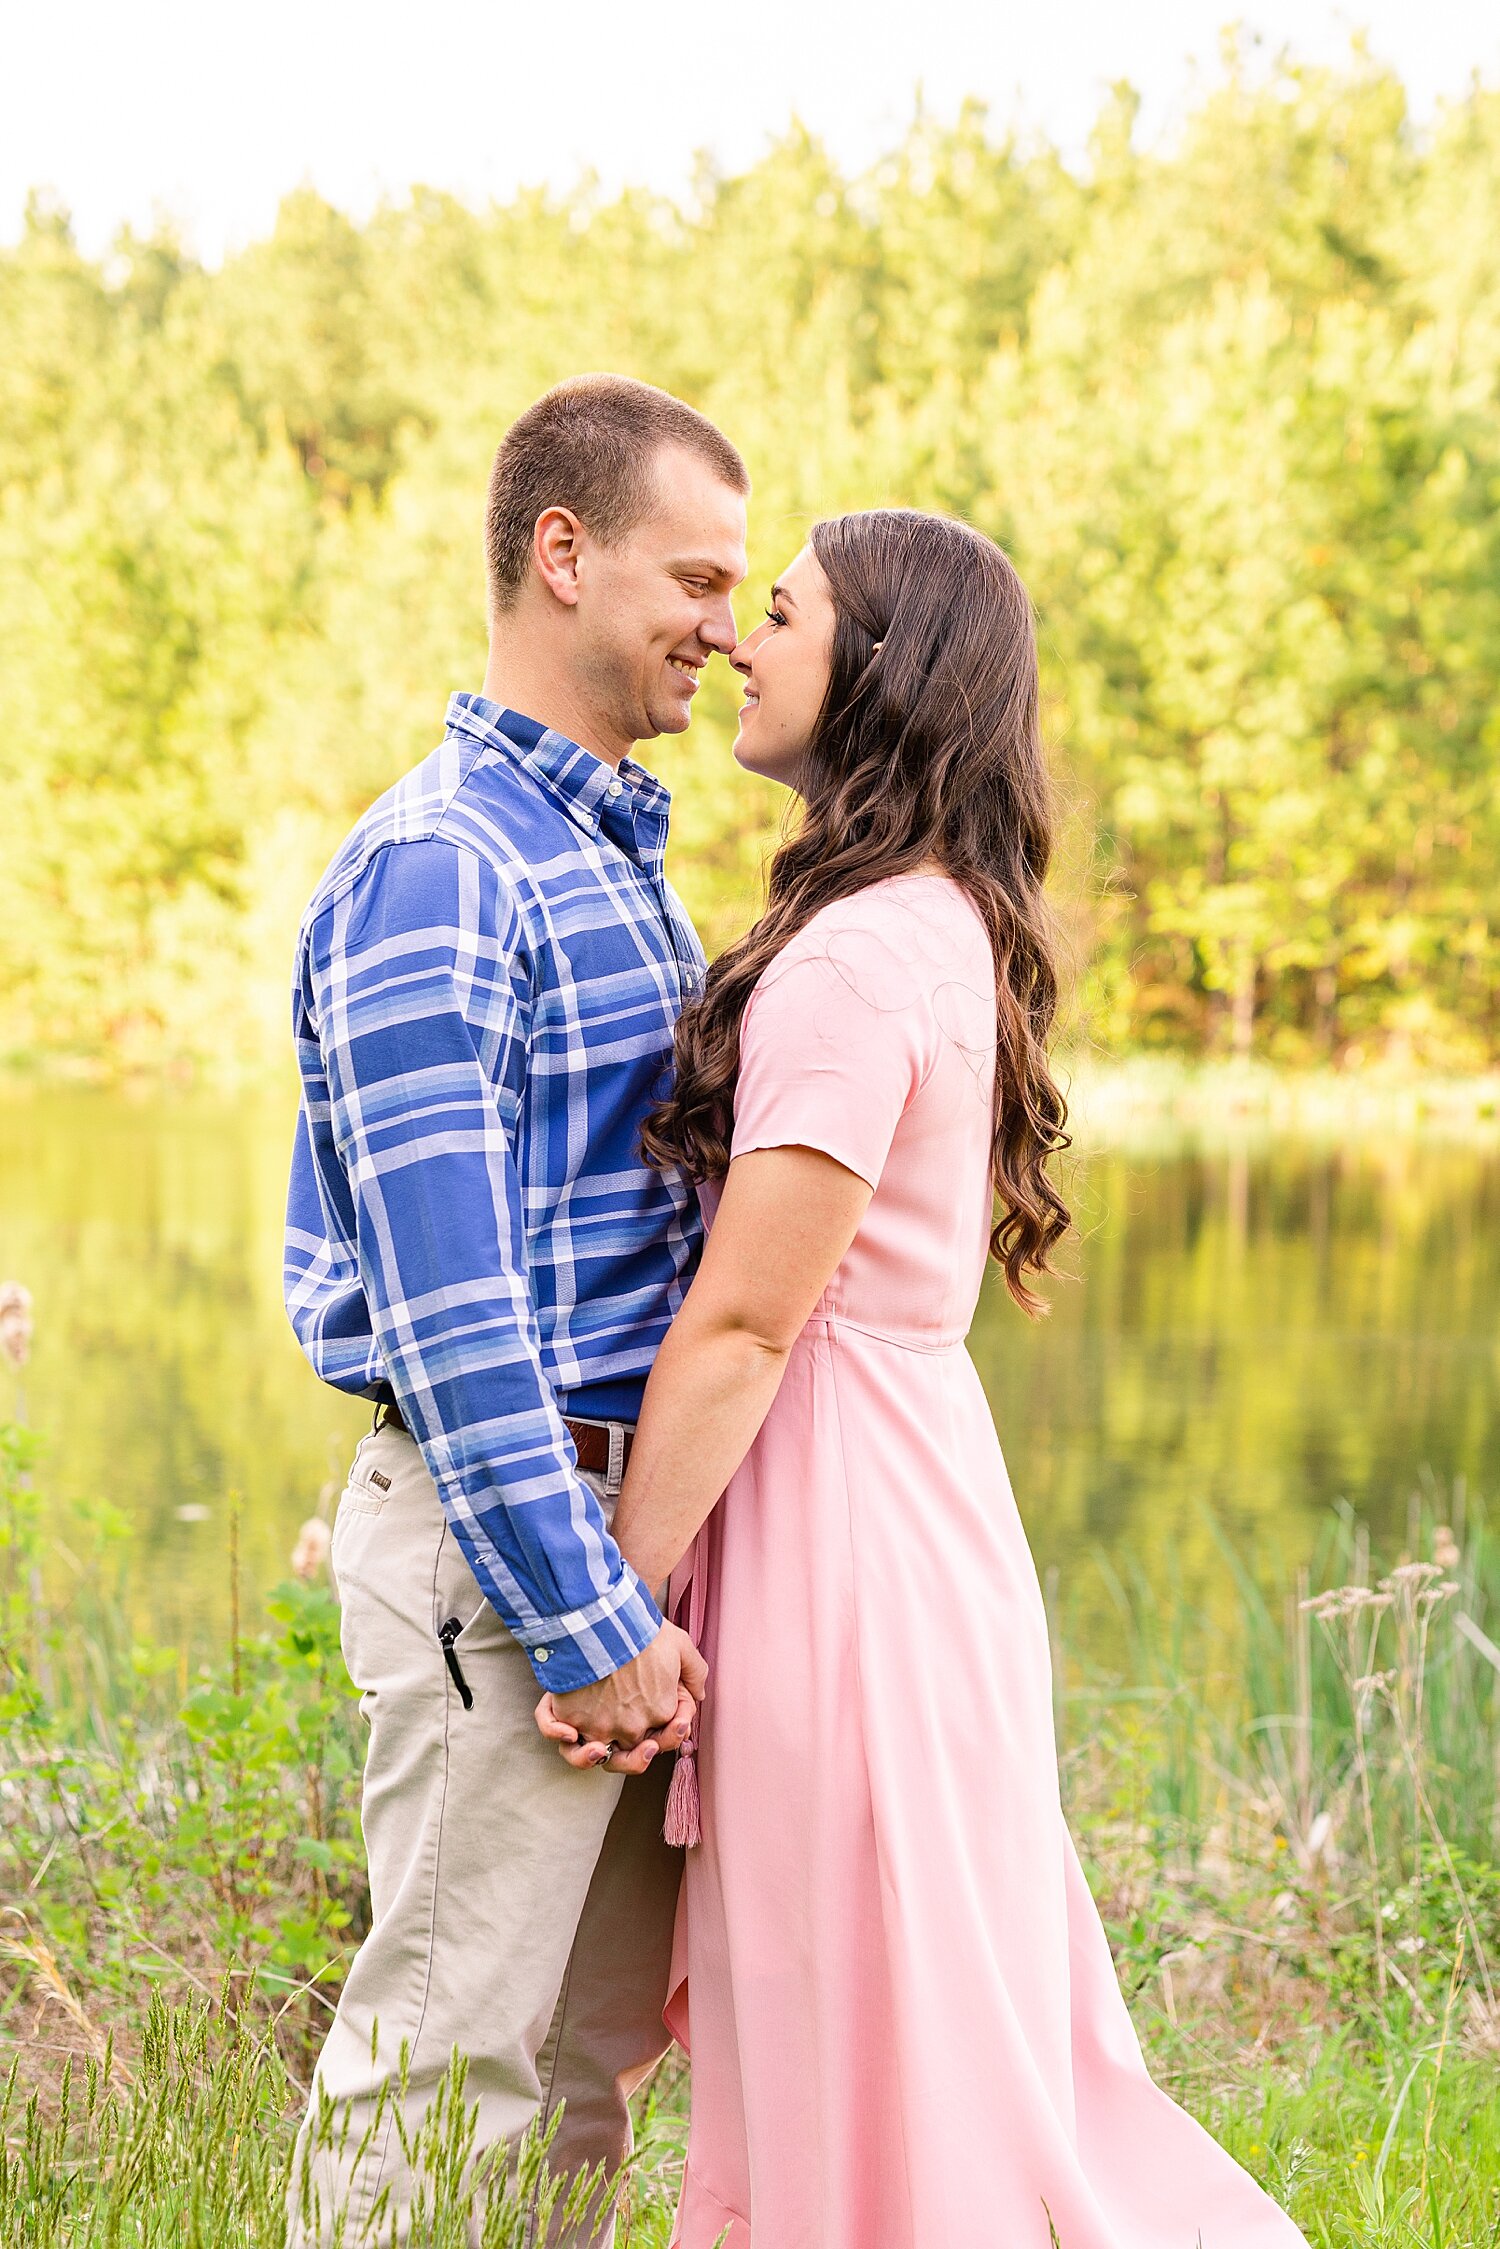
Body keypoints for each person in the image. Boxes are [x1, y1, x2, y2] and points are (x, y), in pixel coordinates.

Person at [539, 510, 1310, 2248]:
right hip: (897, 1508)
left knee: (862, 2023)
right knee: (920, 2021)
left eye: (786, 611)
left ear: (876, 674)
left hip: (849, 1555)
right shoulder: (927, 919)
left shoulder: (862, 954)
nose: (743, 637)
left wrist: (612, 1613)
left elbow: (745, 1327)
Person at [281, 374, 748, 2245]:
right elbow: (459, 1308)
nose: (723, 623)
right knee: (438, 2070)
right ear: (563, 554)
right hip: (513, 1554)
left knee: (571, 2090)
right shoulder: (444, 865)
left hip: (604, 1542)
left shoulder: (612, 853)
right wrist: (582, 1617)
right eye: (693, 577)